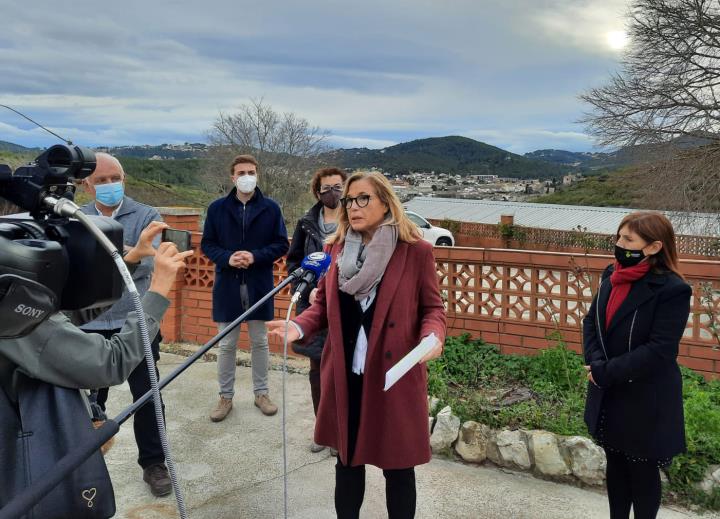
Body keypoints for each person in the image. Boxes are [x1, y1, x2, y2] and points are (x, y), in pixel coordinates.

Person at [268, 171, 446, 519]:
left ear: (385, 203)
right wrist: (298, 327)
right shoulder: (335, 249)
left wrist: (433, 335)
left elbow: (433, 308)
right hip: (347, 375)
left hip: (392, 377)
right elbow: (322, 307)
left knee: (398, 468)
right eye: (349, 200)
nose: (353, 206)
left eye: (363, 198)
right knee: (347, 463)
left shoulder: (415, 252)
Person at [583, 211, 691, 519]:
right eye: (618, 237)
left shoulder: (672, 290)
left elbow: (660, 351)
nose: (619, 244)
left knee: (641, 471)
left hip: (645, 398)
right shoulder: (610, 276)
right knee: (615, 465)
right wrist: (595, 361)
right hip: (609, 392)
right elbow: (591, 322)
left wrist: (604, 372)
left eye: (628, 239)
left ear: (654, 247)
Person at [78, 152, 172, 497]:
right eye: (100, 180)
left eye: (114, 178)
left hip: (137, 322)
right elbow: (79, 269)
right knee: (86, 403)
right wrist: (132, 252)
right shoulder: (77, 217)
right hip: (89, 324)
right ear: (86, 185)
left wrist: (107, 257)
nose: (109, 185)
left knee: (148, 396)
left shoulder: (147, 214)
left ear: (124, 178)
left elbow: (153, 262)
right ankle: (81, 460)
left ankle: (154, 463)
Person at [201, 154, 289, 422]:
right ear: (232, 177)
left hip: (259, 284)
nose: (246, 176)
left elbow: (281, 244)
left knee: (260, 342)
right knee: (226, 344)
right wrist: (228, 257)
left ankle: (261, 393)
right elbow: (208, 244)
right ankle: (225, 397)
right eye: (241, 172)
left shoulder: (271, 209)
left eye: (250, 171)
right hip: (228, 284)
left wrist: (254, 256)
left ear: (257, 174)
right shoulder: (217, 209)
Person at [286, 167, 347, 453]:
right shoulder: (307, 222)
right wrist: (307, 288)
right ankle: (322, 430)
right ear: (317, 192)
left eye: (338, 187)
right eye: (326, 188)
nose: (332, 193)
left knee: (341, 370)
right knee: (316, 370)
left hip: (345, 306)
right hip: (312, 306)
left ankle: (339, 432)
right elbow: (293, 262)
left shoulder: (354, 222)